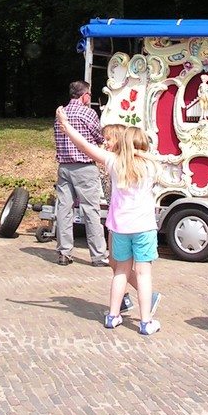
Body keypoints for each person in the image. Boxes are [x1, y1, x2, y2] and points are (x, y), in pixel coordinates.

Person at [56, 108, 161, 335]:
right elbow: (154, 159)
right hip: (144, 227)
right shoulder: (151, 166)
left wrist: (66, 126)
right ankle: (145, 322)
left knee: (120, 272)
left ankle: (112, 316)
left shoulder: (114, 162)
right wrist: (139, 154)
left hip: (120, 228)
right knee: (143, 274)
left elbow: (85, 146)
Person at [101, 123, 161, 319]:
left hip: (121, 220)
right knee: (116, 263)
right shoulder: (118, 161)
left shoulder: (120, 162)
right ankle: (126, 300)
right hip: (117, 218)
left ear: (120, 141)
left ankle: (140, 298)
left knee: (120, 266)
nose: (105, 143)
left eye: (109, 139)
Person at [53, 81, 108, 267]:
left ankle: (64, 253)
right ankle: (98, 256)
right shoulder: (88, 113)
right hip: (84, 168)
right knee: (91, 211)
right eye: (89, 95)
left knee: (64, 210)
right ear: (84, 95)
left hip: (64, 167)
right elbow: (99, 137)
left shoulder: (60, 114)